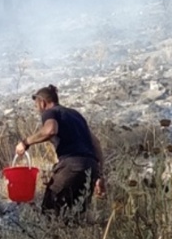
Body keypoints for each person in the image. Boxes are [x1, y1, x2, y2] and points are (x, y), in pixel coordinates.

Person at [15, 84, 106, 216]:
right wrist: (99, 176)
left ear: (42, 103)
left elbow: (51, 130)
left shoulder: (50, 112)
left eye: (36, 106)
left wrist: (25, 143)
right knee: (76, 217)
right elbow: (96, 143)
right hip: (91, 168)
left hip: (71, 165)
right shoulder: (76, 115)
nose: (37, 109)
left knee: (50, 213)